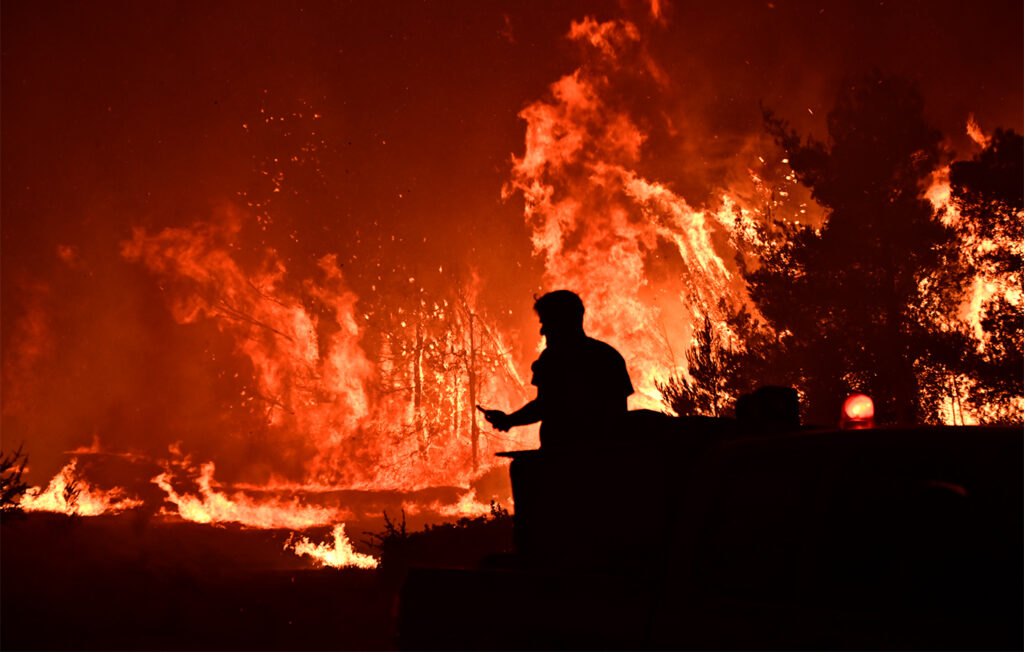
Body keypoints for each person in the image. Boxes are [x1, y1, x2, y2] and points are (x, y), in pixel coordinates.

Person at [479, 290, 633, 448]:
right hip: (605, 454)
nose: (542, 331)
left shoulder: (552, 359)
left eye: (546, 322)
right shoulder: (608, 356)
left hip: (561, 455)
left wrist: (508, 420)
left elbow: (543, 406)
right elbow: (619, 414)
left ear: (562, 323)